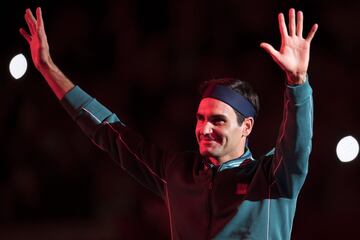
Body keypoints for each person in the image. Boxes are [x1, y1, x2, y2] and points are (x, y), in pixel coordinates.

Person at [20, 6, 318, 240]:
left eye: (217, 120)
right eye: (200, 119)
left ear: (247, 127)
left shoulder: (270, 178)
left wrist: (297, 82)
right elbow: (108, 131)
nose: (205, 129)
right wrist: (48, 70)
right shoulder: (177, 173)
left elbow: (296, 144)